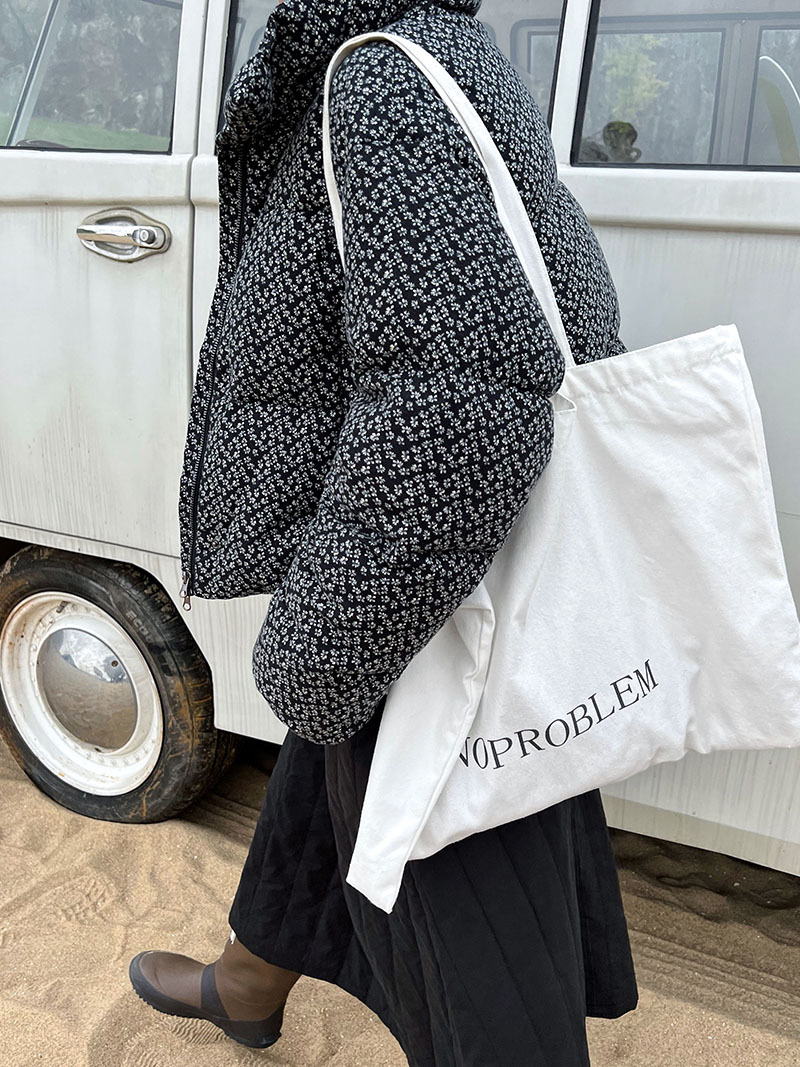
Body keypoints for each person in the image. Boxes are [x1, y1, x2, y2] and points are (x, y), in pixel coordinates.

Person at [129, 0, 639, 1063]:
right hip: (424, 561)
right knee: (334, 760)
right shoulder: (431, 48)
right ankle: (249, 978)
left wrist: (324, 638)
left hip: (434, 596)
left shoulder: (381, 78)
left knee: (483, 960)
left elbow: (464, 403)